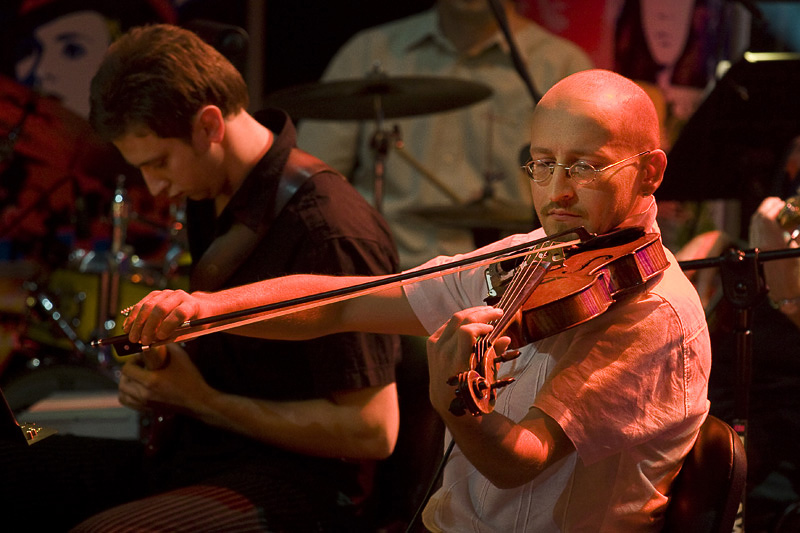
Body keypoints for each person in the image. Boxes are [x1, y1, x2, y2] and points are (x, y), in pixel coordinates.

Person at [125, 69, 712, 531]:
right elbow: (346, 303)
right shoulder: (536, 252)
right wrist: (206, 311)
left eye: (584, 166)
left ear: (651, 172)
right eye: (542, 164)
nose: (556, 191)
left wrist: (454, 406)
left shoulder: (653, 314)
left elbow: (519, 461)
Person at [0, 23, 401, 532]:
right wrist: (166, 362)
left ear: (209, 124)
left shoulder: (330, 231)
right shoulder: (213, 191)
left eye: (159, 163)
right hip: (210, 455)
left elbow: (373, 431)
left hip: (307, 487)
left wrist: (200, 401)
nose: (155, 187)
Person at [296, 0, 593, 269]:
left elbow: (590, 197)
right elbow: (313, 183)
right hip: (383, 269)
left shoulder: (562, 64)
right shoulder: (370, 51)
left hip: (507, 271)